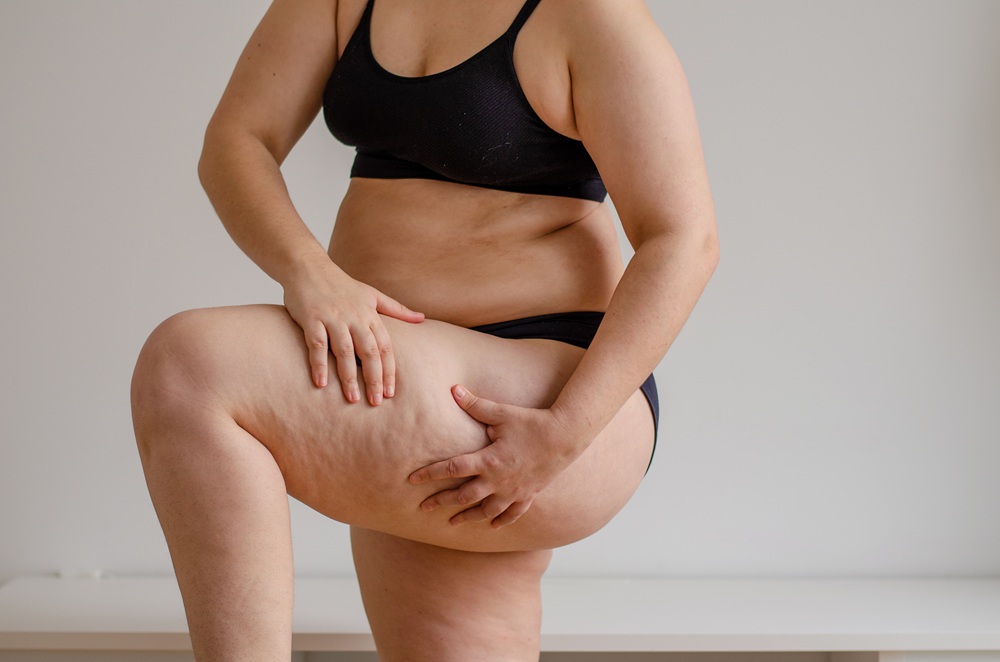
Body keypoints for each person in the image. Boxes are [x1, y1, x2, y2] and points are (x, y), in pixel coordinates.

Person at [130, 0, 718, 659]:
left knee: (190, 367)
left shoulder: (590, 15)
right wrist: (309, 272)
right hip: (400, 377)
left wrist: (564, 432)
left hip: (540, 395)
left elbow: (685, 240)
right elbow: (237, 140)